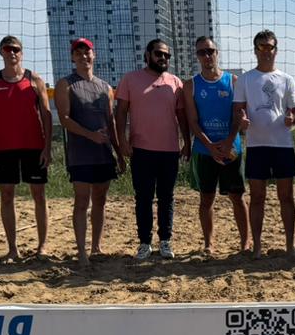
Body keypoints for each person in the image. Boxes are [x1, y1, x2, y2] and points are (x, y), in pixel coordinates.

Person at [0, 35, 53, 261]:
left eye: (15, 49)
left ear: (21, 53)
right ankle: (13, 248)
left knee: (39, 195)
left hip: (34, 146)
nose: (12, 53)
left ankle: (42, 247)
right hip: (5, 148)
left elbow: (47, 116)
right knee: (6, 195)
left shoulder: (35, 79)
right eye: (7, 49)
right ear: (1, 52)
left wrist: (47, 148)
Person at [116, 39, 187, 260]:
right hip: (141, 149)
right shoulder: (130, 79)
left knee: (167, 197)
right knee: (143, 198)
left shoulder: (175, 82)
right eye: (158, 53)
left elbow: (182, 115)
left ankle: (165, 240)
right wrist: (122, 141)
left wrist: (187, 142)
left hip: (169, 150)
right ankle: (145, 243)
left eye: (167, 55)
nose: (163, 58)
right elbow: (120, 113)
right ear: (147, 55)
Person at [55, 38, 122, 266]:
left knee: (100, 199)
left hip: (103, 152)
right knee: (82, 200)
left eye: (87, 52)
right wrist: (90, 135)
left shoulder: (106, 87)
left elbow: (111, 122)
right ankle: (82, 252)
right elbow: (64, 119)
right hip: (80, 153)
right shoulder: (66, 84)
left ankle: (96, 247)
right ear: (72, 58)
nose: (84, 56)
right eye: (78, 53)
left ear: (94, 55)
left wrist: (118, 152)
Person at [233, 30, 295, 257]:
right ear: (255, 50)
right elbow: (238, 109)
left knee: (286, 197)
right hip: (256, 145)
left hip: (282, 145)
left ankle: (290, 246)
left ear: (275, 50)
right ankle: (257, 247)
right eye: (261, 46)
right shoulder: (245, 79)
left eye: (269, 46)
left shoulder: (287, 79)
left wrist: (292, 118)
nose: (265, 51)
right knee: (257, 197)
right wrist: (241, 120)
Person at [184, 36, 248, 255]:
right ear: (197, 56)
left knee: (237, 197)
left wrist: (229, 141)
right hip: (205, 150)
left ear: (217, 53)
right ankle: (209, 244)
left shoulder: (233, 81)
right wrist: (210, 146)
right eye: (202, 52)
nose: (207, 55)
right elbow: (193, 121)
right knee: (206, 198)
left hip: (232, 148)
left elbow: (238, 115)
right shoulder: (191, 85)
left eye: (210, 51)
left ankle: (245, 243)